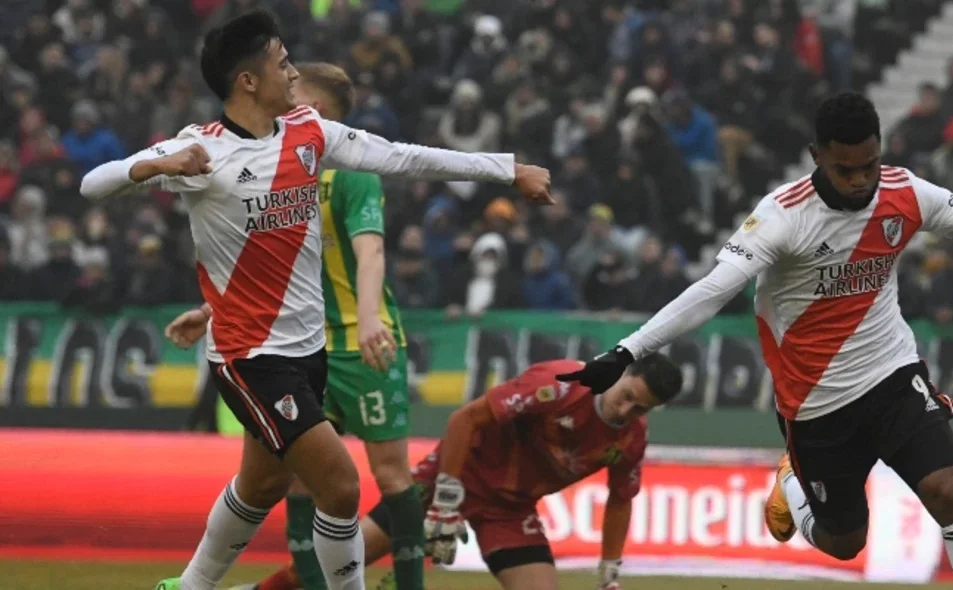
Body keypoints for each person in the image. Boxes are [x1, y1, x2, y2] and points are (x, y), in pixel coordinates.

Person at [556, 92, 953, 590]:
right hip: (816, 406)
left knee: (947, 490)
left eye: (869, 164)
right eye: (844, 167)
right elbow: (713, 290)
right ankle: (794, 484)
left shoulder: (903, 192)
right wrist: (627, 350)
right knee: (845, 543)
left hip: (892, 373)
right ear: (816, 155)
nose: (859, 181)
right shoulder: (781, 216)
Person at [79, 10, 552, 590]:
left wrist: (509, 170)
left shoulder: (309, 131)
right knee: (342, 486)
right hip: (250, 357)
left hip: (309, 352)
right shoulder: (199, 151)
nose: (293, 71)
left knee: (261, 486)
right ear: (248, 81)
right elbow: (92, 184)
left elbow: (403, 156)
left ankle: (191, 587)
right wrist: (158, 164)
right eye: (282, 63)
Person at [162, 62, 427, 590]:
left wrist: (371, 318)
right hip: (296, 351)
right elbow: (270, 269)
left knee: (389, 476)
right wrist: (213, 310)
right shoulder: (273, 169)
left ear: (317, 111)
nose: (281, 91)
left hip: (360, 341)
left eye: (293, 86)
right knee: (300, 481)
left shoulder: (351, 172)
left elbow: (370, 252)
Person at [248, 356, 683, 590]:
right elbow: (464, 421)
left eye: (640, 408)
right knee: (334, 566)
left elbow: (621, 499)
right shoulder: (561, 383)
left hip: (508, 511)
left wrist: (610, 569)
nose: (625, 410)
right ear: (624, 371)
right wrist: (445, 502)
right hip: (448, 478)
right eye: (627, 395)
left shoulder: (630, 439)